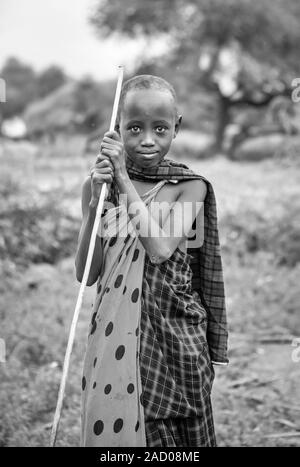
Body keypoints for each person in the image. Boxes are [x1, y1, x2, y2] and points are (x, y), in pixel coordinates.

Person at [75, 75, 229, 447]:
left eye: (160, 128)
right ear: (117, 130)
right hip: (115, 338)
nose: (147, 139)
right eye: (134, 128)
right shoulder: (99, 186)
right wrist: (96, 200)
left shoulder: (189, 186)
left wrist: (123, 180)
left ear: (176, 127)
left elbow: (159, 250)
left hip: (176, 339)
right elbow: (87, 273)